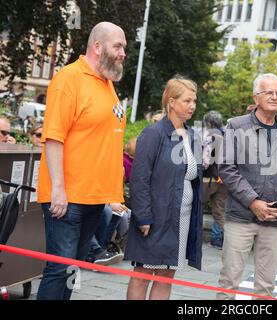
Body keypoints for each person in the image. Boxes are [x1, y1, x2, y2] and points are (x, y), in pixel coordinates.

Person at [36, 22, 127, 300]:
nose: (123, 53)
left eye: (124, 47)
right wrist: (59, 190)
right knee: (59, 268)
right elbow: (53, 137)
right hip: (68, 197)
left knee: (72, 269)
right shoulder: (69, 78)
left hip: (94, 198)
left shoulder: (106, 83)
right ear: (97, 47)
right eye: (118, 46)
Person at [217, 73, 277, 299]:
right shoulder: (236, 126)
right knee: (229, 281)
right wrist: (252, 201)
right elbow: (226, 167)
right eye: (269, 93)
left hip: (275, 219)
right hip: (241, 217)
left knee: (266, 286)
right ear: (256, 98)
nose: (275, 97)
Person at [125, 76, 203, 300]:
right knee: (143, 273)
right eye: (187, 100)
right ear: (171, 101)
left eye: (194, 101)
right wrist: (143, 216)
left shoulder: (194, 137)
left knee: (167, 274)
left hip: (182, 217)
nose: (192, 106)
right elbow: (140, 178)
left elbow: (194, 175)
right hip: (156, 216)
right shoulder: (154, 133)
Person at [202, 110, 227, 249]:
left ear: (209, 123)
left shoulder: (211, 137)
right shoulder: (227, 135)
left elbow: (205, 161)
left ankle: (190, 237)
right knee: (220, 212)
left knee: (194, 205)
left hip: (209, 180)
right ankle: (229, 240)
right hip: (225, 180)